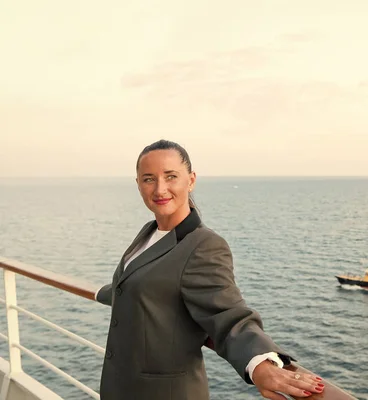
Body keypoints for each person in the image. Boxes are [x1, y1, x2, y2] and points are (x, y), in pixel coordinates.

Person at [95, 139, 324, 400]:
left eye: (171, 176)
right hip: (123, 388)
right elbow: (135, 284)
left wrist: (260, 363)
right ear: (138, 184)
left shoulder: (203, 245)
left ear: (190, 180)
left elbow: (228, 314)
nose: (160, 189)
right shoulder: (149, 232)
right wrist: (100, 292)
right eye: (149, 179)